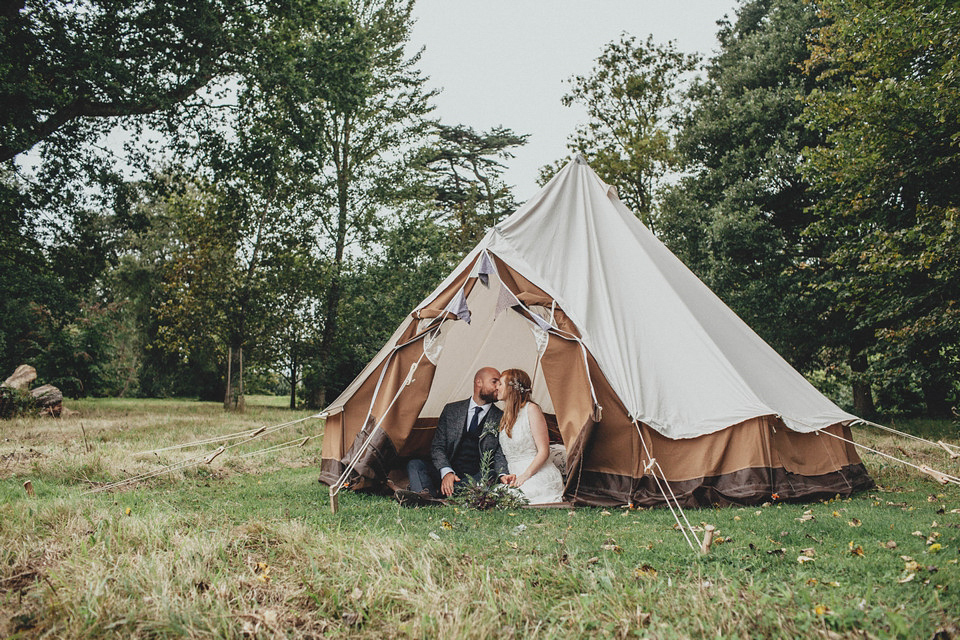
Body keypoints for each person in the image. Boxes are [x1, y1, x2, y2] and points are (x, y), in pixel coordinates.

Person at [397, 366, 508, 504]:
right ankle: (428, 496)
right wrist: (447, 472)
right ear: (479, 382)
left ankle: (432, 498)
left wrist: (503, 474)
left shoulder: (501, 417)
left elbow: (499, 453)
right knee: (415, 464)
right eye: (494, 381)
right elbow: (438, 446)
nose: (498, 387)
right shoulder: (452, 410)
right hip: (448, 470)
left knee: (491, 475)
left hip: (476, 476)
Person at [497, 368, 564, 504]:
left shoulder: (531, 410)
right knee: (497, 497)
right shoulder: (505, 415)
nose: (496, 387)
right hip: (514, 474)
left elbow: (544, 451)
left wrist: (525, 476)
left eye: (500, 384)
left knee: (518, 497)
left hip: (535, 473)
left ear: (511, 388)